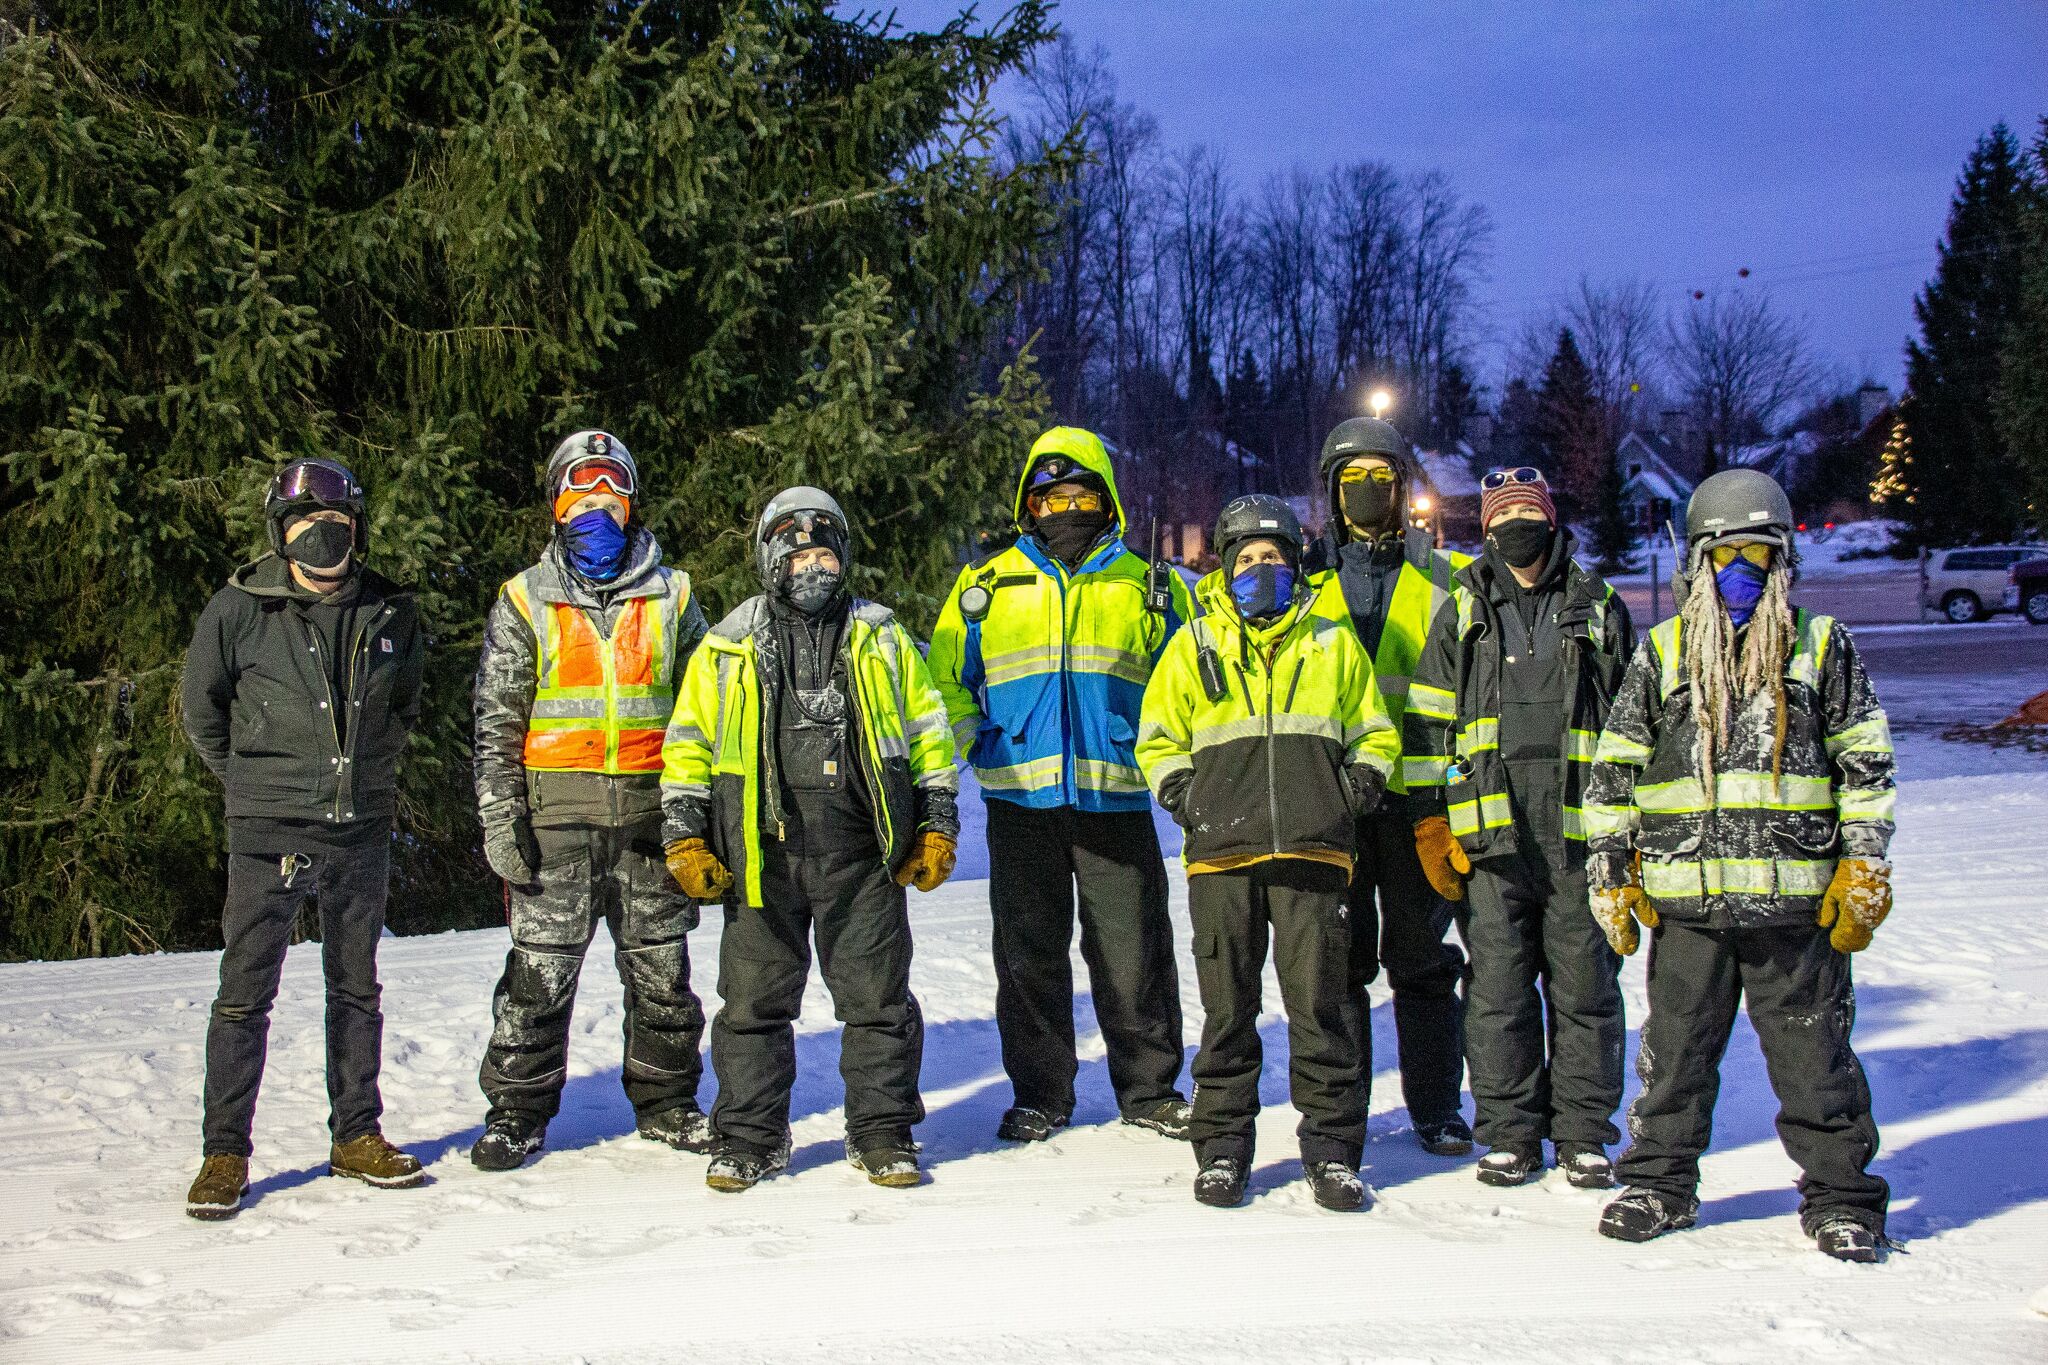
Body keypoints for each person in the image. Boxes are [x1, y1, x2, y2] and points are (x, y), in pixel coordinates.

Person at [1584, 469, 1897, 1263]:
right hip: (1686, 906)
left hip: (1796, 907)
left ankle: (1842, 1198)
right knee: (1674, 1061)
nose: (1741, 572)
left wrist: (1862, 867)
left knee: (1815, 1058)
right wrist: (1610, 868)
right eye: (1724, 555)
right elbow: (1613, 772)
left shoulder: (1820, 646)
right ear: (1695, 561)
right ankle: (1658, 1183)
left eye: (1759, 556)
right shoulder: (1662, 656)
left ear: (1785, 560)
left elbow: (1866, 765)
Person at [661, 487, 959, 1192]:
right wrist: (683, 833)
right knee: (754, 1005)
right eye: (796, 557)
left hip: (864, 856)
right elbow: (689, 743)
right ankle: (749, 1136)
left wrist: (936, 821)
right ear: (770, 562)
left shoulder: (880, 635)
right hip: (762, 858)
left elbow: (929, 734)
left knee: (878, 1000)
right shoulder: (728, 644)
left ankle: (882, 1131)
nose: (812, 569)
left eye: (825, 554)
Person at [928, 427, 1193, 1144]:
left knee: (1134, 952)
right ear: (1028, 504)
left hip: (1117, 796)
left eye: (1079, 494)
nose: (1064, 508)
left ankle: (1151, 1089)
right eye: (1050, 496)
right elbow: (946, 682)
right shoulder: (984, 586)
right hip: (1019, 800)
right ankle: (1041, 1094)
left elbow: (1188, 685)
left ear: (1106, 500)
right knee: (1027, 956)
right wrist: (978, 740)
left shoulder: (1150, 586)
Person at [179, 457, 426, 1218]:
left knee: (356, 988)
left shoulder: (392, 612)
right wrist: (257, 784)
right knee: (244, 993)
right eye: (303, 525)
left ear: (356, 527)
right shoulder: (239, 606)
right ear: (280, 533)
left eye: (335, 524)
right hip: (267, 828)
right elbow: (201, 710)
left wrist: (366, 779)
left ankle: (356, 1136)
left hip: (359, 828)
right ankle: (225, 1152)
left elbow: (406, 704)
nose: (320, 537)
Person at [1138, 497, 1399, 1211]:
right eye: (1247, 559)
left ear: (1295, 563)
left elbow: (1375, 729)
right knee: (1228, 1012)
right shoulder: (1192, 645)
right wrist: (1188, 798)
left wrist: (1357, 784)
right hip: (1222, 857)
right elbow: (1156, 738)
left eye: (1274, 557)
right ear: (1225, 568)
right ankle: (1222, 1148)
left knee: (1321, 1008)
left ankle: (1333, 1153)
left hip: (1316, 854)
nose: (1262, 569)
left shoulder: (1334, 642)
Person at [470, 431, 711, 1171]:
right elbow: (496, 718)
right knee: (538, 977)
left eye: (611, 491)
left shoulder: (676, 595)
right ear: (556, 504)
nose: (596, 507)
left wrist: (701, 816)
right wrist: (499, 816)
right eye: (580, 492)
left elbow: (710, 709)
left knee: (662, 973)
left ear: (633, 502)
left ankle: (668, 1100)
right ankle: (517, 1110)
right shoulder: (523, 598)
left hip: (650, 820)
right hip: (555, 824)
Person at [1405, 468, 1634, 1190]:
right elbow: (1426, 723)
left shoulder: (1597, 604)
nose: (1516, 528)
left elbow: (1638, 722)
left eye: (1528, 513)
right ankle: (1509, 1132)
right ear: (1486, 527)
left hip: (1579, 839)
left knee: (1584, 987)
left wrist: (1633, 837)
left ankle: (1583, 1132)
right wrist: (1430, 823)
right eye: (1503, 516)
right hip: (1490, 842)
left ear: (1551, 518)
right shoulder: (1463, 609)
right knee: (1498, 990)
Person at [1305, 417, 1473, 1155]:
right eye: (1352, 481)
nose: (1367, 492)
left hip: (1419, 806)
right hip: (1335, 803)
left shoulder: (1450, 576)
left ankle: (1435, 1107)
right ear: (1332, 495)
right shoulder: (1300, 582)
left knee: (1423, 962)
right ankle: (1344, 1116)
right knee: (1340, 968)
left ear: (1402, 488)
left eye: (1380, 478)